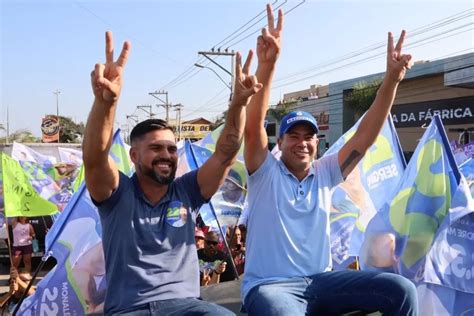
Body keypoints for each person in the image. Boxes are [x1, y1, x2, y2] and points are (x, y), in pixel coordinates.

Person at [242, 4, 418, 316]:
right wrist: (267, 66)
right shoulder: (264, 172)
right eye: (292, 136)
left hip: (321, 282)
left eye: (308, 136)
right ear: (278, 142)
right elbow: (254, 126)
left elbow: (364, 137)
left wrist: (391, 80)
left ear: (316, 142)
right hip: (269, 288)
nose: (301, 143)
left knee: (401, 290)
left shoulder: (325, 172)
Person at [83, 31, 262, 315]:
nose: (166, 155)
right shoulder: (117, 195)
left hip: (188, 308)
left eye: (170, 148)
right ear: (133, 155)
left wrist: (239, 104)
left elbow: (226, 153)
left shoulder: (188, 191)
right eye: (155, 148)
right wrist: (105, 103)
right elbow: (94, 158)